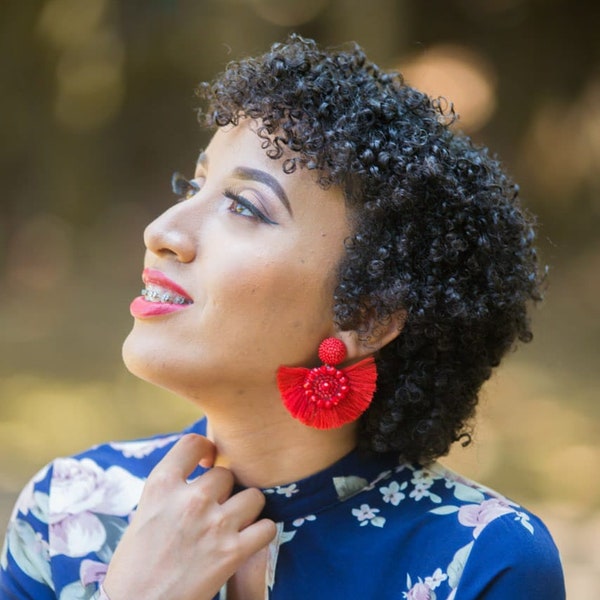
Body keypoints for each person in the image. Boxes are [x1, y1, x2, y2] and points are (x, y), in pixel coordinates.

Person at [0, 35, 565, 599]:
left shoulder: (483, 561)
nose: (163, 232)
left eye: (244, 206)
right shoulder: (68, 513)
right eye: (194, 186)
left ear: (366, 316)